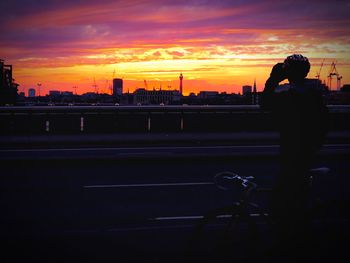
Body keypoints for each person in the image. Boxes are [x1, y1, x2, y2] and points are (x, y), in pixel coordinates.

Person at [260, 54, 329, 261]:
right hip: (306, 155)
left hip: (291, 157)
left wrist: (273, 79)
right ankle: (299, 242)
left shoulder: (288, 98)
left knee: (281, 206)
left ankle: (288, 247)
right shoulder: (314, 97)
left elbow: (264, 104)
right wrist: (314, 145)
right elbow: (324, 124)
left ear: (288, 73)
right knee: (297, 204)